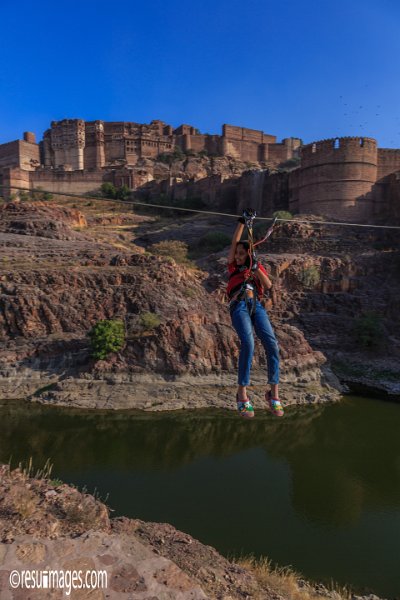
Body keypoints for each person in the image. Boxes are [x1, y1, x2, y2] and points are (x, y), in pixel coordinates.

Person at [227, 214, 283, 418]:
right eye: (238, 254)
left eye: (243, 254)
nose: (239, 256)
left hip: (256, 306)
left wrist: (256, 268)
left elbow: (268, 286)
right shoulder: (233, 266)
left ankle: (273, 394)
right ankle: (242, 393)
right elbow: (234, 242)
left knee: (272, 345)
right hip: (239, 305)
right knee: (249, 344)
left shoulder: (254, 266)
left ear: (249, 255)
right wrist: (242, 222)